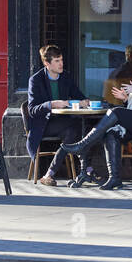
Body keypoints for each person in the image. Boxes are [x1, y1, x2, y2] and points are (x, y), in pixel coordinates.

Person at [50, 47, 132, 190]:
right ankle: (114, 178)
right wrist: (126, 98)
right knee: (111, 134)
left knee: (115, 111)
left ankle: (83, 145)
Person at [27, 44, 90, 185]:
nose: (61, 64)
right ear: (46, 63)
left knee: (77, 129)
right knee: (77, 126)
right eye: (57, 61)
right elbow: (32, 110)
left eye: (61, 60)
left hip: (63, 122)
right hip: (43, 124)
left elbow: (79, 96)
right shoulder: (36, 80)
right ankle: (87, 170)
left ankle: (50, 173)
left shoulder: (65, 77)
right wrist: (52, 104)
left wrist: (84, 101)